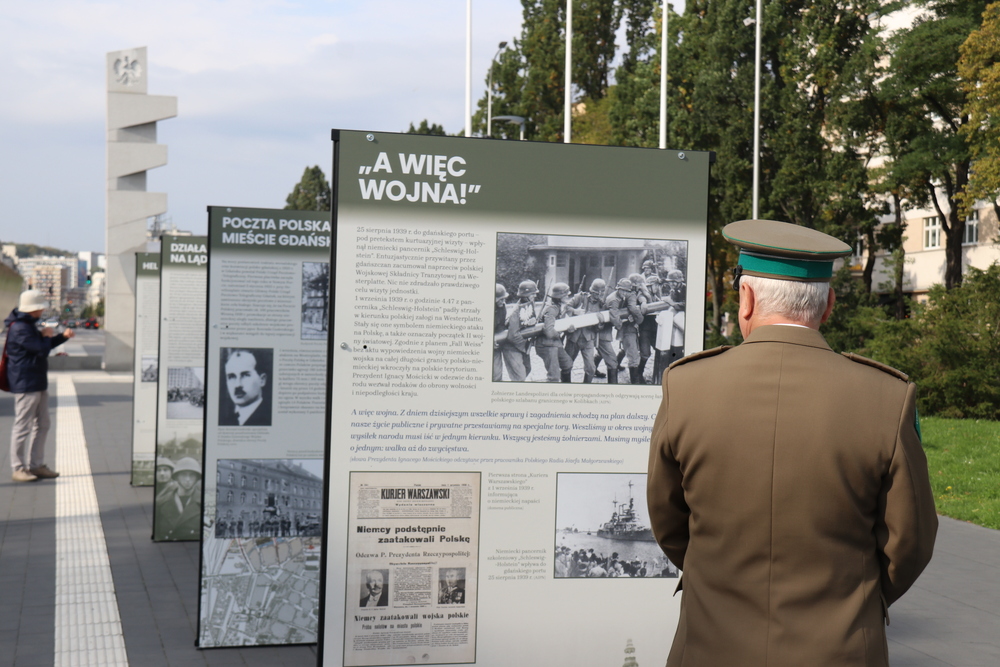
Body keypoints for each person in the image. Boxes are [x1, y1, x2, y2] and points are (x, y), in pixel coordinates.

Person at [647, 219, 938, 667]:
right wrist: (853, 601)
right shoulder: (887, 396)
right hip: (840, 650)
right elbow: (911, 542)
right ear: (828, 305)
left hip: (711, 645)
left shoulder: (686, 386)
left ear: (745, 300)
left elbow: (668, 522)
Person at [4, 289, 73, 482]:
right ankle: (18, 467)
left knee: (43, 424)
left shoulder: (26, 325)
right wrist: (47, 335)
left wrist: (62, 337)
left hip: (35, 380)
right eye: (40, 307)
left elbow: (42, 346)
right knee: (23, 426)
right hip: (26, 383)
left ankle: (36, 465)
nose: (42, 310)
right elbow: (41, 350)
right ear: (33, 309)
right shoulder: (20, 328)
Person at [605, 278, 643, 384]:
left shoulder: (622, 296)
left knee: (626, 353)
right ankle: (635, 383)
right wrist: (627, 320)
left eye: (626, 291)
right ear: (618, 289)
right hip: (604, 327)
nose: (624, 293)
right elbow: (615, 318)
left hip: (620, 326)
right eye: (623, 290)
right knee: (631, 356)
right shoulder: (613, 299)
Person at [219, 348, 271, 426]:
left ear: (262, 380)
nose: (237, 385)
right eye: (231, 377)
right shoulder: (225, 421)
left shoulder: (269, 419)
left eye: (245, 375)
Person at [535, 283, 575, 382]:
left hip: (554, 343)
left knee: (567, 364)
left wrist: (567, 329)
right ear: (560, 296)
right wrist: (560, 332)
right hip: (546, 345)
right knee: (554, 377)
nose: (568, 296)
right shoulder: (552, 309)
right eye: (566, 295)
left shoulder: (558, 306)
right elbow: (549, 331)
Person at [502, 280, 539, 381]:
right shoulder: (516, 311)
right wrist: (525, 345)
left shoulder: (528, 306)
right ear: (525, 295)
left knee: (527, 369)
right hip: (512, 348)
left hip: (521, 346)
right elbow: (512, 336)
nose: (534, 296)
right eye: (533, 294)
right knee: (519, 377)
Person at [159, 456, 203, 540]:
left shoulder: (205, 502)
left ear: (197, 478)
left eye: (192, 475)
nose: (187, 479)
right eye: (183, 475)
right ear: (176, 477)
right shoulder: (161, 502)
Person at [493, 283, 509, 381]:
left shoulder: (502, 307)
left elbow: (501, 325)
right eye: (500, 299)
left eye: (504, 299)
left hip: (496, 344)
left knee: (497, 374)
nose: (503, 302)